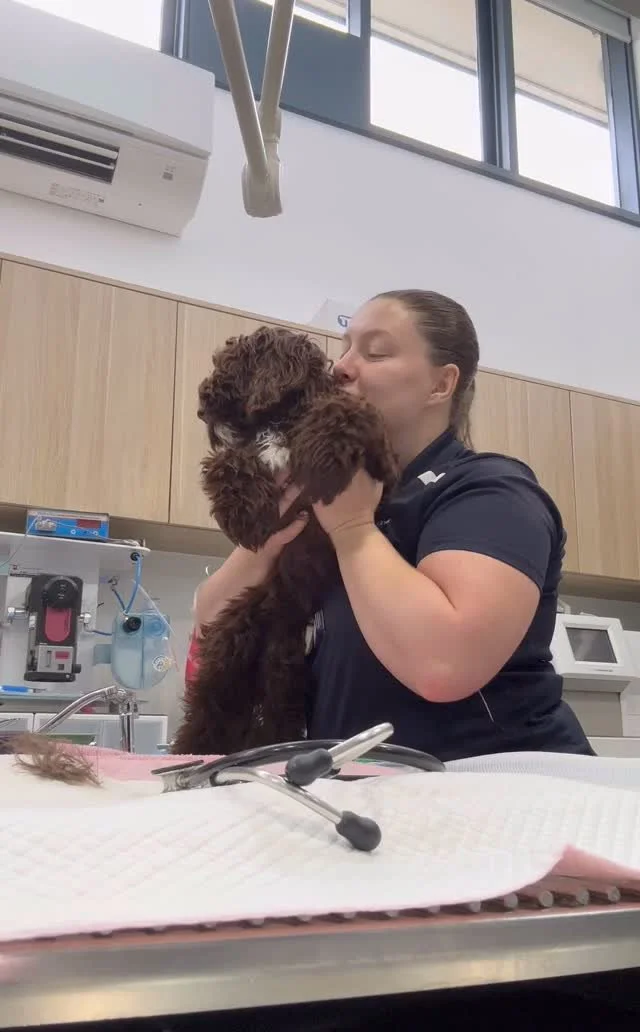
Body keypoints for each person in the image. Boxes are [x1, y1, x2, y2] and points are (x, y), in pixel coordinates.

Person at [189, 289, 593, 760]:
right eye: (345, 348)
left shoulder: (492, 491)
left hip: (502, 782)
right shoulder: (336, 494)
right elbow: (212, 622)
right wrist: (267, 538)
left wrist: (353, 530)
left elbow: (444, 664)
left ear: (440, 385)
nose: (341, 367)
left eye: (376, 352)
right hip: (371, 785)